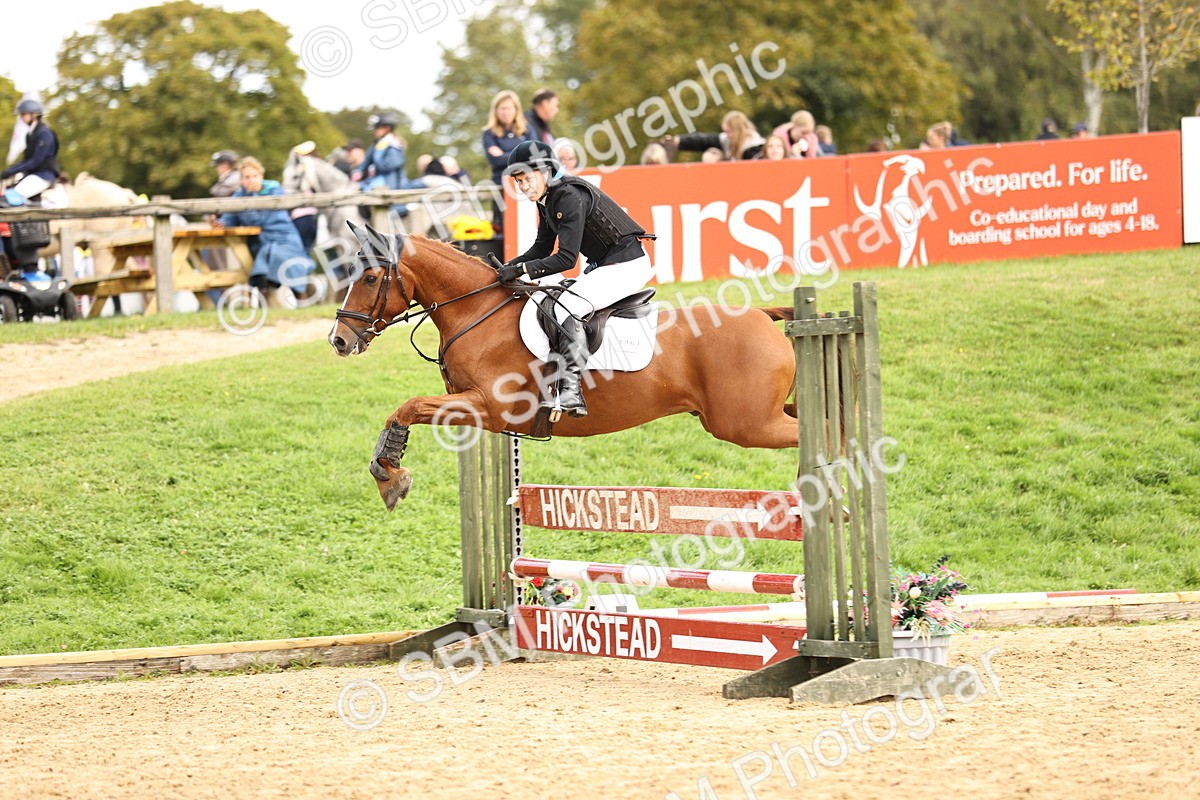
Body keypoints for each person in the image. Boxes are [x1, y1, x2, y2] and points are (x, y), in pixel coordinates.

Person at [496, 140, 654, 419]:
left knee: (565, 306)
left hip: (627, 264)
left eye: (527, 179)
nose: (523, 187)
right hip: (605, 265)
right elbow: (542, 248)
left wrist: (521, 271)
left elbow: (567, 259)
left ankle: (571, 388)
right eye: (518, 182)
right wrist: (507, 267)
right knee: (554, 299)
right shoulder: (547, 199)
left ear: (545, 172)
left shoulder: (568, 195)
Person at [214, 157, 314, 297]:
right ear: (241, 180)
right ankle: (265, 295)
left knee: (277, 256)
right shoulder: (238, 196)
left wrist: (252, 194)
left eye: (255, 176)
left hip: (283, 238)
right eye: (247, 177)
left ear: (261, 176)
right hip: (260, 241)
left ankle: (296, 295)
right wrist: (221, 223)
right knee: (262, 254)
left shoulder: (274, 190)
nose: (251, 180)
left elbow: (258, 219)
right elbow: (230, 217)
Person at [1, 99, 61, 203]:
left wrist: (12, 170)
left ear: (34, 115)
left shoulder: (44, 133)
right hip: (33, 174)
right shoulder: (30, 134)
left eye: (23, 114)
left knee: (12, 198)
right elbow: (27, 160)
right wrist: (11, 169)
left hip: (43, 175)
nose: (21, 118)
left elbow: (36, 161)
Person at [355, 113, 424, 192]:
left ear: (387, 128)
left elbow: (391, 164)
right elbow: (367, 160)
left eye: (377, 127)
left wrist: (373, 169)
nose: (375, 131)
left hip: (392, 184)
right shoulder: (377, 144)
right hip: (378, 182)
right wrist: (359, 171)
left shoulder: (394, 144)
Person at [666, 110, 764, 161]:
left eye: (729, 132)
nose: (726, 135)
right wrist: (678, 141)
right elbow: (703, 140)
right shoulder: (727, 140)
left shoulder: (754, 149)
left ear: (737, 130)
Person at [483, 90, 532, 185]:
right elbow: (496, 160)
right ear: (496, 111)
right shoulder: (489, 133)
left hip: (528, 182)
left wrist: (505, 156)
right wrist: (523, 154)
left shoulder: (527, 130)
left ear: (516, 109)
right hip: (502, 184)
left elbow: (535, 155)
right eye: (502, 108)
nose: (505, 112)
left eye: (509, 108)